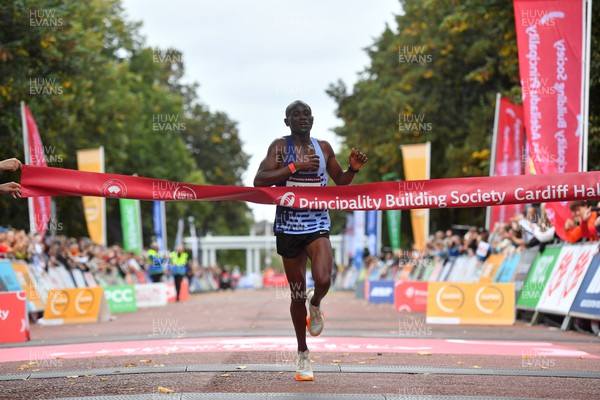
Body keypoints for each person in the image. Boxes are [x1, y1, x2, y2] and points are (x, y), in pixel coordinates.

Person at [253, 100, 367, 381]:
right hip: (288, 228)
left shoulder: (324, 147)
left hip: (317, 224)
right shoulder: (280, 148)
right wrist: (294, 166)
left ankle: (316, 305)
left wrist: (352, 170)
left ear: (312, 119)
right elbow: (259, 181)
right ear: (287, 121)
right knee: (296, 294)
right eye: (295, 114)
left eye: (306, 114)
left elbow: (339, 181)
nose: (302, 117)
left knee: (324, 279)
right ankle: (303, 353)